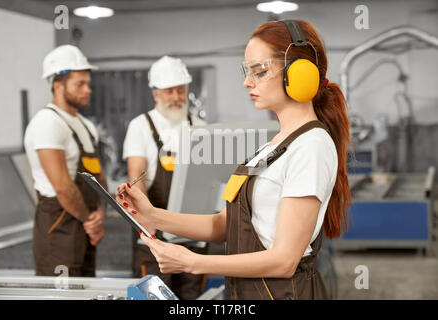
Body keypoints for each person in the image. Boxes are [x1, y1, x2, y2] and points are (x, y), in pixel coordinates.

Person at [117, 20, 351, 300]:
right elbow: (221, 226)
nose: (246, 82)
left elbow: (284, 261)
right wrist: (151, 215)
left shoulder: (310, 146)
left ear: (298, 73)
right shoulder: (273, 146)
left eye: (259, 71)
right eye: (247, 72)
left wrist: (193, 262)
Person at [122, 56, 207, 299]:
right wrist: (147, 224)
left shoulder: (200, 126)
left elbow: (208, 180)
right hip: (154, 229)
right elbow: (135, 180)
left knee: (191, 294)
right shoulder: (140, 126)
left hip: (193, 228)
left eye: (180, 90)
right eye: (169, 91)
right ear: (155, 93)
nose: (176, 97)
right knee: (155, 291)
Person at [24, 45, 107, 277]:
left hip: (86, 224)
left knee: (85, 289)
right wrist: (90, 221)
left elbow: (98, 175)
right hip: (59, 226)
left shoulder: (86, 126)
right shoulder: (47, 123)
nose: (87, 90)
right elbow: (62, 185)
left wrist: (100, 212)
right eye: (79, 84)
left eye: (87, 83)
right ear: (57, 85)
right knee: (61, 293)